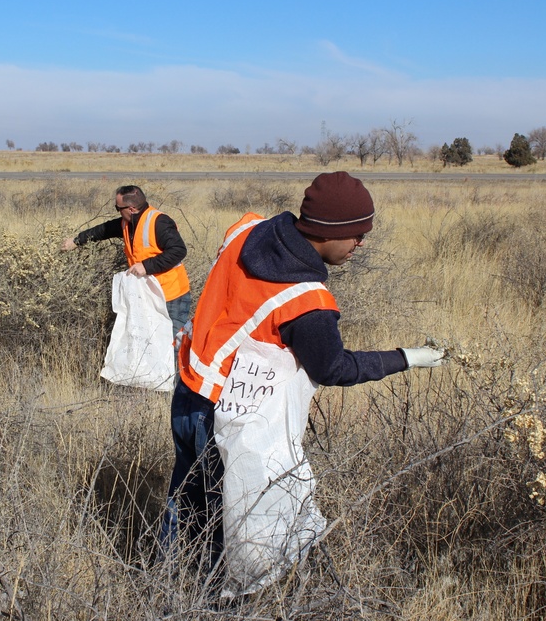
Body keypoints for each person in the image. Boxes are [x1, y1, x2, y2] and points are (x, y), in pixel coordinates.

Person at [159, 171, 445, 595]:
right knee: (227, 523)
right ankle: (207, 603)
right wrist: (406, 358)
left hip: (189, 387)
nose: (360, 245)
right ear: (328, 233)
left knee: (185, 503)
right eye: (355, 235)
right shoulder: (306, 301)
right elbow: (333, 368)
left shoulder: (247, 230)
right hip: (225, 419)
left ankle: (162, 585)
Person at [61, 185, 191, 336]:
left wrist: (146, 266)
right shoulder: (127, 223)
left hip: (171, 296)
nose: (117, 211)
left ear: (130, 209)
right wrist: (77, 241)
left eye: (118, 208)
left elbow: (178, 250)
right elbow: (104, 230)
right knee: (151, 343)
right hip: (148, 294)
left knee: (172, 343)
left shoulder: (159, 222)